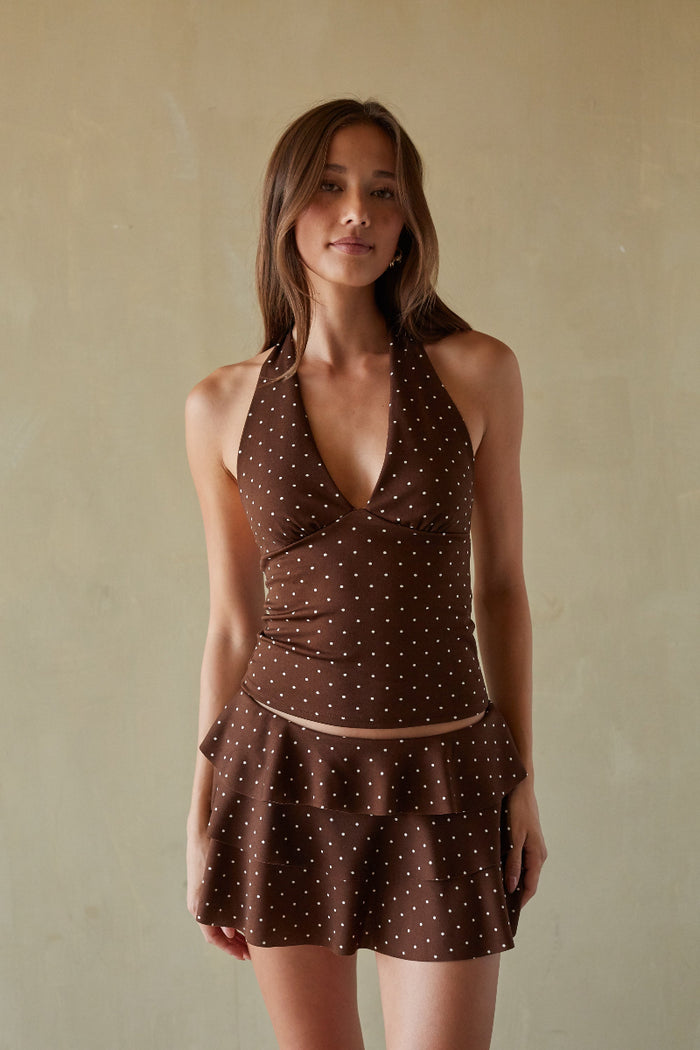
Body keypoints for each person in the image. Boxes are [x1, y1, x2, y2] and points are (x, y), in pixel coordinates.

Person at [185, 97, 547, 1050]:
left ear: (409, 220)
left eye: (383, 191)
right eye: (330, 186)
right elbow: (232, 621)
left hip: (444, 777)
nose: (357, 212)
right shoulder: (220, 404)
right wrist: (201, 817)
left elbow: (502, 586)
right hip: (279, 779)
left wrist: (521, 778)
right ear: (284, 211)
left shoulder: (478, 374)